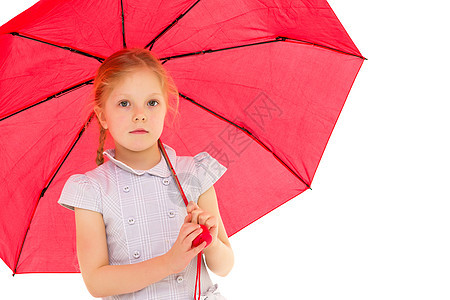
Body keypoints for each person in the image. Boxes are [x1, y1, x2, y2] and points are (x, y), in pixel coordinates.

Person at [57, 48, 234, 300]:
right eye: (124, 103)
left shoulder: (193, 174)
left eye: (152, 103)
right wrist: (169, 263)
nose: (140, 114)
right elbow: (96, 282)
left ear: (165, 108)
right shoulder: (92, 190)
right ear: (102, 115)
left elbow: (225, 266)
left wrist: (211, 241)